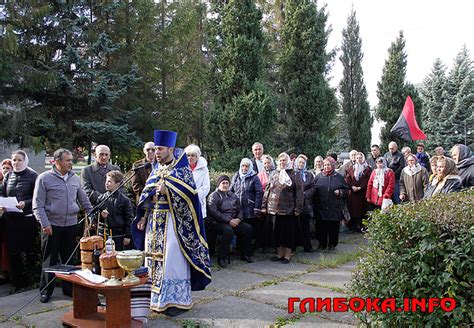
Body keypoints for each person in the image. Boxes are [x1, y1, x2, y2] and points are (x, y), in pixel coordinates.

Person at [132, 130, 211, 317]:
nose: (156, 152)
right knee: (152, 260)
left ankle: (175, 300)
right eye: (154, 149)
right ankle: (155, 298)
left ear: (170, 149)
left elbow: (191, 197)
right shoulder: (156, 169)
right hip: (154, 222)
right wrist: (143, 216)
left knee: (171, 262)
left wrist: (168, 190)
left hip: (173, 224)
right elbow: (146, 195)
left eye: (159, 149)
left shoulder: (182, 170)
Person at [33, 149, 93, 303]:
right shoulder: (44, 178)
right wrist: (45, 223)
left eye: (71, 160)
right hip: (51, 226)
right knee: (50, 260)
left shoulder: (75, 178)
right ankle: (46, 290)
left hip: (71, 225)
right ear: (57, 162)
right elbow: (37, 205)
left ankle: (68, 289)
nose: (71, 163)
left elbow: (84, 200)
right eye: (68, 160)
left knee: (69, 259)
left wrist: (91, 213)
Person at [1, 151, 38, 291]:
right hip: (11, 219)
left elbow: (37, 197)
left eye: (19, 160)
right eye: (14, 160)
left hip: (27, 219)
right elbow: (2, 193)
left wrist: (25, 203)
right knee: (13, 252)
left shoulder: (33, 176)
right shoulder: (8, 175)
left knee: (29, 251)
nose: (16, 163)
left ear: (25, 161)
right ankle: (18, 282)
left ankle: (31, 282)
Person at [261, 152, 303, 263]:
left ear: (288, 161)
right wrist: (264, 206)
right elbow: (267, 190)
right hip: (273, 209)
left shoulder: (294, 174)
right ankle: (279, 254)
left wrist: (298, 208)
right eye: (280, 160)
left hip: (288, 210)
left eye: (284, 160)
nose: (282, 162)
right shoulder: (274, 173)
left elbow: (299, 192)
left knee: (288, 234)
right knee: (276, 233)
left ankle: (287, 255)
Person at [207, 175, 253, 267]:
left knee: (247, 228)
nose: (225, 185)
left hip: (233, 221)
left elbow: (240, 209)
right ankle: (221, 258)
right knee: (228, 231)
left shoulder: (233, 195)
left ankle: (245, 254)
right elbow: (214, 212)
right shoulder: (214, 196)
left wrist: (239, 219)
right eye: (223, 183)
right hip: (218, 223)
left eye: (227, 183)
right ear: (219, 184)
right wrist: (228, 221)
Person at [311, 157, 350, 251]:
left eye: (328, 165)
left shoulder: (339, 177)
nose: (326, 166)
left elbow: (346, 190)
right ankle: (322, 244)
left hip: (334, 207)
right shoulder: (318, 177)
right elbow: (312, 189)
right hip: (321, 207)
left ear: (332, 166)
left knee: (333, 227)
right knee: (321, 226)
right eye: (325, 165)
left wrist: (340, 192)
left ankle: (332, 245)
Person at [230, 158, 262, 255]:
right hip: (238, 208)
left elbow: (259, 192)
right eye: (243, 166)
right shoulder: (236, 175)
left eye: (247, 166)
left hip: (250, 208)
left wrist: (257, 207)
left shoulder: (254, 177)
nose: (245, 168)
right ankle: (239, 250)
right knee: (240, 230)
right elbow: (231, 189)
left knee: (249, 230)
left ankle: (248, 251)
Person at [96, 170, 133, 251]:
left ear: (117, 184)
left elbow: (129, 219)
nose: (106, 183)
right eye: (106, 181)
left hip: (119, 235)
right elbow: (96, 216)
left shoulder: (125, 200)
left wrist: (128, 236)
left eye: (109, 181)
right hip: (104, 234)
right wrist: (101, 215)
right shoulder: (101, 198)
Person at [345, 152, 372, 232]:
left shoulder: (367, 168)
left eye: (360, 158)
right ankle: (354, 226)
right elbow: (347, 178)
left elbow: (368, 180)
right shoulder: (351, 168)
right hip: (353, 193)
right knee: (353, 210)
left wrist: (360, 187)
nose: (359, 159)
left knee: (363, 210)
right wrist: (352, 186)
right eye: (357, 158)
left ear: (363, 158)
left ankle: (362, 226)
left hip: (362, 192)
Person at [294, 154, 315, 252]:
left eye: (303, 163)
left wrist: (305, 194)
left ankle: (308, 246)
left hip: (306, 204)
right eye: (299, 162)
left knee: (306, 226)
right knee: (294, 226)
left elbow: (313, 187)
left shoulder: (309, 175)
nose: (301, 164)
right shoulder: (292, 174)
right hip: (294, 204)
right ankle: (293, 247)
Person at [184, 144, 211, 221]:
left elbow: (206, 187)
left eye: (193, 155)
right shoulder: (182, 168)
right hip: (184, 203)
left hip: (198, 202)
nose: (190, 158)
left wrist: (194, 196)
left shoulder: (204, 169)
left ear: (197, 157)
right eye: (188, 155)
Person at [0, 159, 13, 283]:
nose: (5, 170)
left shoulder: (11, 181)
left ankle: (5, 273)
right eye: (3, 168)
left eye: (8, 168)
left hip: (7, 219)